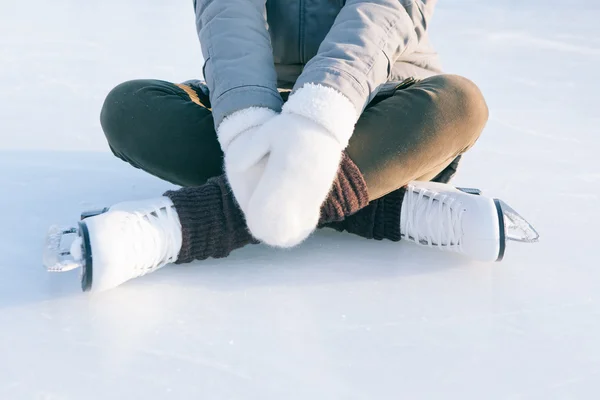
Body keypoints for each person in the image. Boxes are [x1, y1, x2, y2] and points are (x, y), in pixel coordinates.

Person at [45, 0, 538, 292]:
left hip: (381, 105)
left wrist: (317, 124)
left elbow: (384, 13)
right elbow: (228, 16)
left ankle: (185, 225)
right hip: (259, 100)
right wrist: (249, 127)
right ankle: (386, 207)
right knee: (130, 108)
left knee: (460, 104)